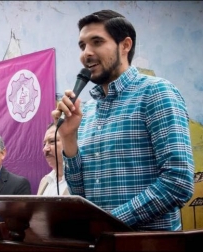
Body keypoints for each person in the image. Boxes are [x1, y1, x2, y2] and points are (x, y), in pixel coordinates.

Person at [52, 9, 194, 231]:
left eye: (97, 42)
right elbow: (80, 194)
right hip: (99, 244)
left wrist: (109, 223)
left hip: (149, 245)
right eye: (82, 46)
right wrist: (68, 137)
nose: (86, 53)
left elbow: (178, 182)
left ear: (125, 45)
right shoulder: (86, 112)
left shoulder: (156, 93)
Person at [37, 123, 70, 195]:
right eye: (44, 144)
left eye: (52, 141)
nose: (45, 149)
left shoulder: (81, 181)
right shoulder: (45, 181)